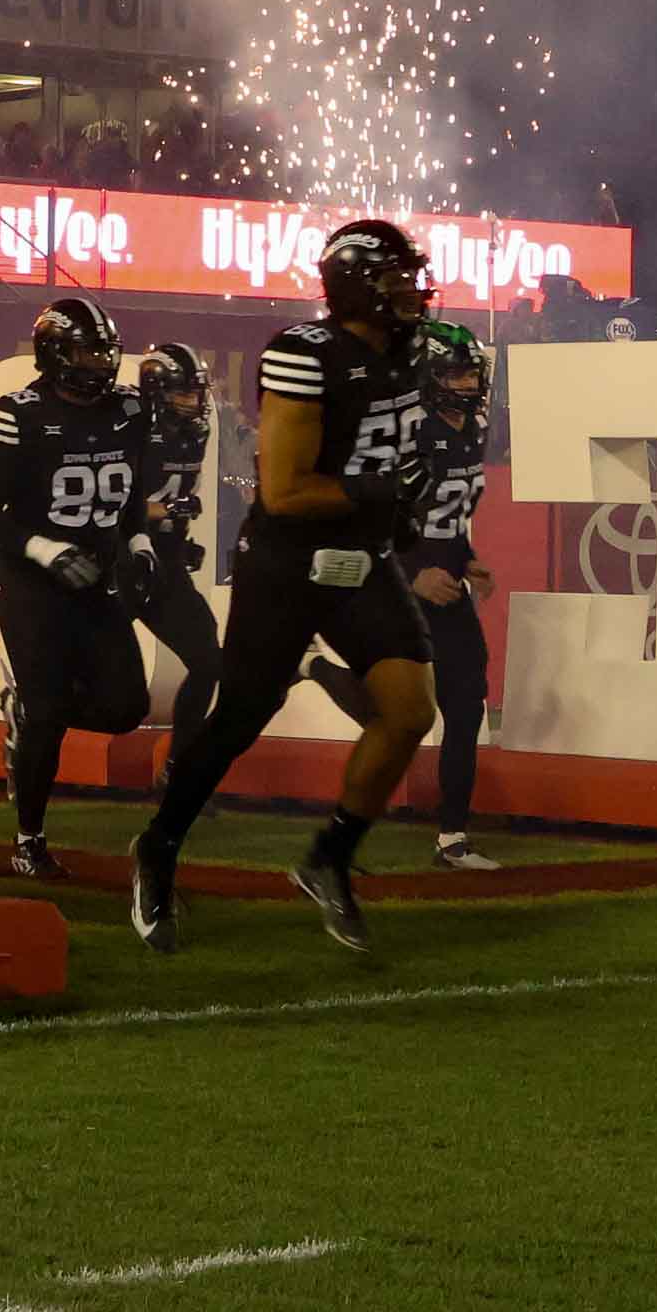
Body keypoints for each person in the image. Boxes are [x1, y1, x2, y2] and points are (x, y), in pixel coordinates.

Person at [131, 219, 439, 954]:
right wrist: (379, 488)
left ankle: (328, 858)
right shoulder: (303, 354)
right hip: (289, 565)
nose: (410, 290)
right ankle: (158, 847)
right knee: (239, 717)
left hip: (360, 560)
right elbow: (287, 491)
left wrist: (405, 497)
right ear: (358, 285)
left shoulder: (411, 350)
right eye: (395, 277)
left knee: (408, 711)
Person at [0, 296, 160, 881]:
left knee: (127, 708)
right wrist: (45, 549)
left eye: (103, 350)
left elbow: (127, 497)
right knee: (49, 710)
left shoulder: (128, 410)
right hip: (34, 585)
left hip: (96, 581)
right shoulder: (19, 412)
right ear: (53, 354)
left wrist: (141, 545)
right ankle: (29, 839)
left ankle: (31, 713)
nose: (99, 362)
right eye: (84, 350)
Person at [303, 320, 501, 869]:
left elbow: (450, 516)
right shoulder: (400, 430)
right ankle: (316, 668)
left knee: (465, 706)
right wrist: (413, 575)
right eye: (455, 374)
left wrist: (467, 561)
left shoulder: (470, 425)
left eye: (470, 373)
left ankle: (452, 838)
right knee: (390, 714)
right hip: (390, 577)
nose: (466, 385)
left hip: (444, 581)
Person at [136, 343, 224, 784]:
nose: (193, 402)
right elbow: (116, 502)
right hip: (119, 561)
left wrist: (178, 538)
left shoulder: (197, 433)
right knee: (112, 692)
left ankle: (179, 767)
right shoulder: (130, 427)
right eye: (182, 394)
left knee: (209, 660)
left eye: (196, 393)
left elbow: (177, 498)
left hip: (163, 565)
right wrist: (164, 515)